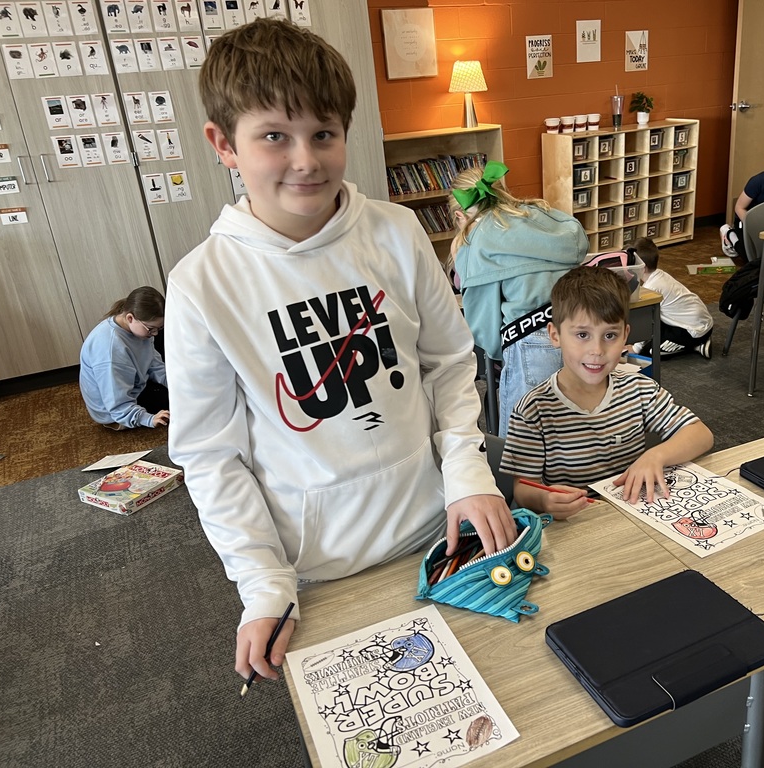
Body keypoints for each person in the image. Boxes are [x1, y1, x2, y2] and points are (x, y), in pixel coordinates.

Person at [163, 18, 515, 687]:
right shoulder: (201, 285)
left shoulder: (398, 231)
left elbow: (448, 361)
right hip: (315, 570)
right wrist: (262, 580)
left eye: (324, 133)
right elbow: (210, 455)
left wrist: (467, 472)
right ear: (223, 144)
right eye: (274, 136)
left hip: (435, 525)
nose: (306, 159)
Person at [501, 266, 713, 517]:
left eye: (610, 335)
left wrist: (655, 456)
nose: (597, 350)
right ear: (555, 335)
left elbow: (701, 434)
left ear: (625, 336)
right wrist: (545, 500)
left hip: (634, 514)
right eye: (582, 334)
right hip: (577, 525)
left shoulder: (639, 390)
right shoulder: (532, 410)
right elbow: (523, 489)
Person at [448, 161, 587, 437]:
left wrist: (500, 354)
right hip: (581, 331)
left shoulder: (476, 240)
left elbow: (484, 327)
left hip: (532, 344)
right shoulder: (540, 213)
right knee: (576, 431)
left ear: (460, 215)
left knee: (523, 443)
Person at [79, 286, 169, 430]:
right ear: (130, 318)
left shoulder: (137, 328)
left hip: (135, 384)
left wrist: (174, 382)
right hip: (116, 412)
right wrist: (149, 419)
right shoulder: (111, 349)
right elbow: (117, 404)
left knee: (183, 390)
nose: (155, 333)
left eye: (158, 328)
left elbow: (154, 364)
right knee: (181, 405)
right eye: (151, 329)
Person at [628, 237, 713, 359]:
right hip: (693, 321)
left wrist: (635, 349)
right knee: (651, 333)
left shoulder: (652, 287)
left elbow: (648, 319)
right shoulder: (659, 274)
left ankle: (696, 345)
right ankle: (690, 343)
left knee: (650, 352)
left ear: (642, 268)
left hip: (695, 331)